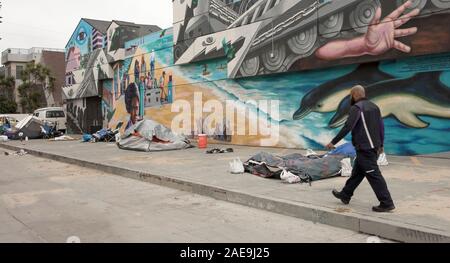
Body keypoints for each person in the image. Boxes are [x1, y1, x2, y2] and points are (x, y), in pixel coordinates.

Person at [326, 85, 395, 213]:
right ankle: (345, 194)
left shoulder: (357, 108)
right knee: (357, 172)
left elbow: (348, 126)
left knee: (374, 175)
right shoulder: (375, 107)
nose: (351, 98)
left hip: (365, 148)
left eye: (351, 95)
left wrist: (333, 142)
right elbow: (381, 127)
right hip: (372, 147)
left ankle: (387, 202)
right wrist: (381, 145)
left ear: (355, 94)